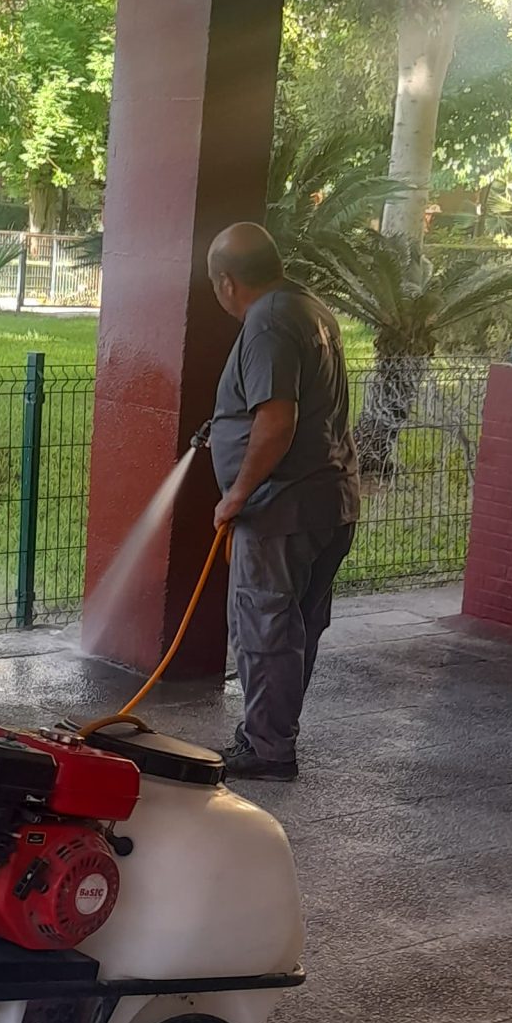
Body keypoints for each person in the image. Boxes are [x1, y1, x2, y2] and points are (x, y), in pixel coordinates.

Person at [206, 222, 362, 782]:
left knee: (266, 631)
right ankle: (271, 732)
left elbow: (276, 420)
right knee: (295, 629)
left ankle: (268, 749)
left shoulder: (267, 321)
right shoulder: (307, 307)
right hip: (328, 501)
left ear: (227, 282)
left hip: (281, 510)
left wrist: (236, 495)